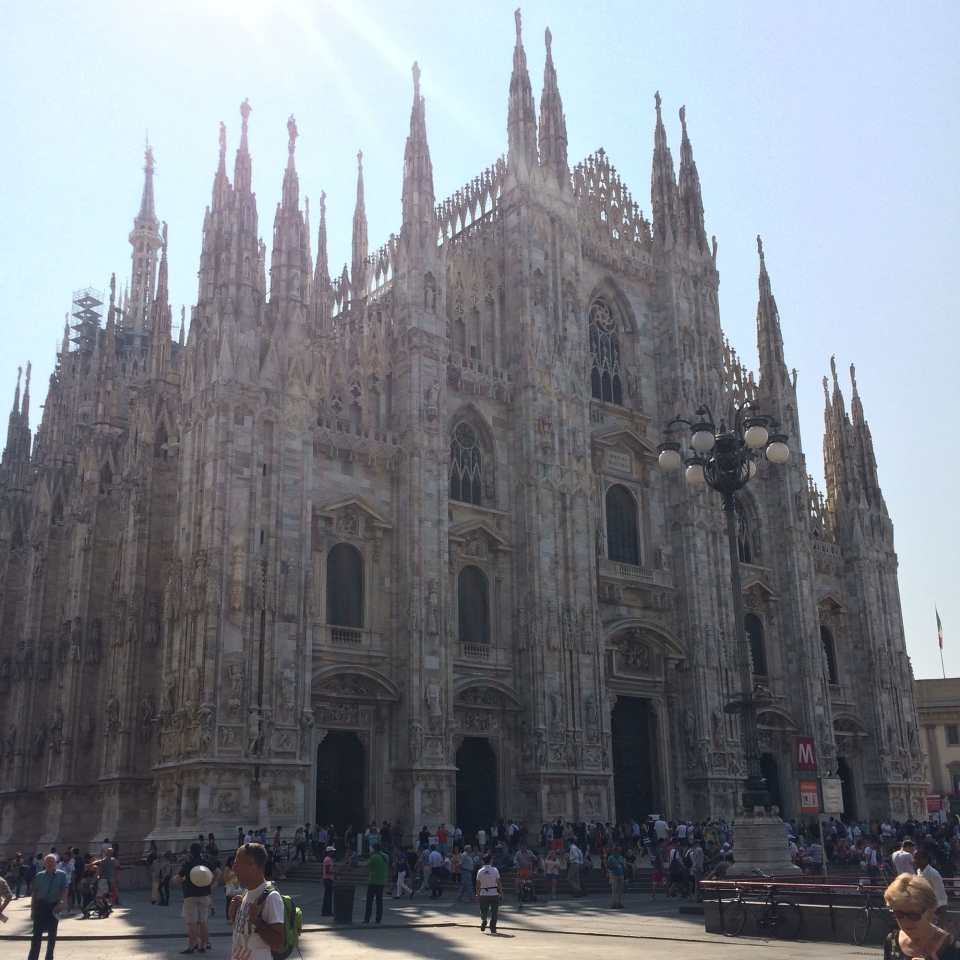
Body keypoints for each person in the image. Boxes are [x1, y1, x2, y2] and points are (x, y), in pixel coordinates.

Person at [228, 842, 285, 960]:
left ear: (250, 863)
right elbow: (247, 934)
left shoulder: (271, 897)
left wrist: (257, 921)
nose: (233, 868)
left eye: (237, 864)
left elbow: (278, 944)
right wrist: (234, 916)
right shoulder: (245, 895)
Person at [883, 873, 960, 959]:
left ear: (930, 913)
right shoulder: (892, 941)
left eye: (913, 915)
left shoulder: (951, 948)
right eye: (898, 914)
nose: (905, 921)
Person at [173, 840, 221, 955]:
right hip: (204, 894)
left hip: (190, 895)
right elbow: (218, 872)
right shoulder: (205, 862)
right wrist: (214, 883)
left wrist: (175, 878)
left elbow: (177, 879)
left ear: (191, 852)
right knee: (203, 921)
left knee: (192, 922)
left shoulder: (188, 864)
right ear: (200, 851)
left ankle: (190, 947)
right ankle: (203, 945)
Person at [28, 854, 68, 960]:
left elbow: (65, 890)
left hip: (54, 907)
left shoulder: (62, 875)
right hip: (40, 906)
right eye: (48, 862)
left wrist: (61, 902)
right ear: (44, 864)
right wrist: (32, 909)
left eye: (52, 861)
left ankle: (49, 956)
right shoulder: (39, 876)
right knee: (36, 934)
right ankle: (33, 957)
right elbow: (34, 893)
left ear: (56, 863)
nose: (50, 863)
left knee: (52, 934)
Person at [913, 849, 949, 921]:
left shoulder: (933, 874)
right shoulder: (919, 872)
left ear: (926, 859)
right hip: (923, 909)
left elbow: (941, 895)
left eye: (919, 858)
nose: (916, 861)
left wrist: (943, 917)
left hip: (935, 911)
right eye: (915, 858)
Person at [475, 852, 502, 934]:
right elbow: (499, 883)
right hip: (494, 893)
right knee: (494, 911)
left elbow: (477, 884)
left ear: (483, 861)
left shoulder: (480, 871)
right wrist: (501, 893)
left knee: (483, 909)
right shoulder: (495, 870)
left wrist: (477, 893)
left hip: (483, 893)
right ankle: (493, 927)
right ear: (491, 861)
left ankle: (484, 920)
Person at [363, 842, 390, 923]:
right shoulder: (386, 856)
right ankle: (378, 919)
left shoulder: (374, 857)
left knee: (369, 901)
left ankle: (367, 918)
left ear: (374, 849)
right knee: (379, 901)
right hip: (382, 881)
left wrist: (371, 856)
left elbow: (367, 866)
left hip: (373, 881)